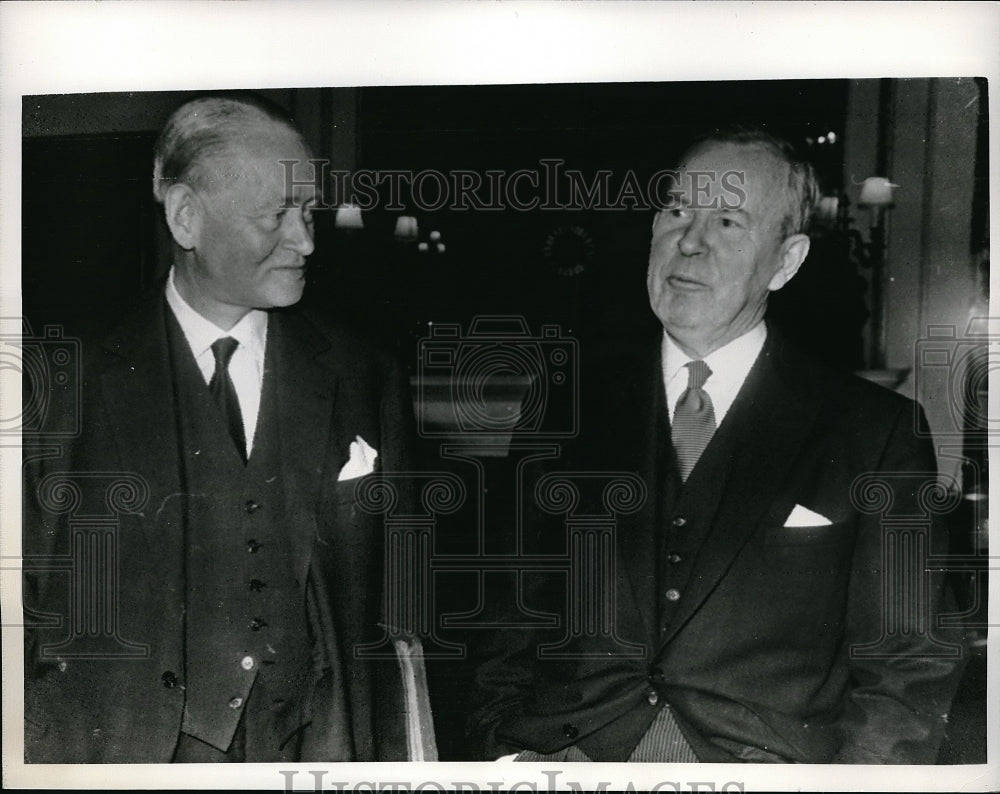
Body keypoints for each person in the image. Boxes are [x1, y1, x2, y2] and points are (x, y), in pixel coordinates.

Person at [468, 127, 965, 764]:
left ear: (786, 262)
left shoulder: (875, 432)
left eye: (729, 221)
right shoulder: (564, 413)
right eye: (676, 213)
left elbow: (907, 666)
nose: (691, 243)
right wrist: (505, 753)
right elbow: (505, 627)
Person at [22, 95, 425, 763]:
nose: (306, 240)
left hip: (316, 748)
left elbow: (403, 612)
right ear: (187, 216)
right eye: (277, 217)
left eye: (308, 212)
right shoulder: (62, 385)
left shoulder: (363, 372)